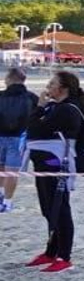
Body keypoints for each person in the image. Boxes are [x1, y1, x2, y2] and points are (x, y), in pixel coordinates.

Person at [23, 70, 84, 270]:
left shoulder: (67, 110)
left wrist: (39, 107)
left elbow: (34, 128)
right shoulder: (56, 107)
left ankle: (64, 257)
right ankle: (51, 251)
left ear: (63, 89)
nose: (48, 87)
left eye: (52, 84)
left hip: (56, 164)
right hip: (43, 163)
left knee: (60, 209)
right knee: (48, 209)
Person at [0, 66, 36, 216]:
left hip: (1, 135)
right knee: (12, 171)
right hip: (20, 137)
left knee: (1, 169)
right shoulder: (31, 97)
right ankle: (7, 202)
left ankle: (2, 195)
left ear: (10, 79)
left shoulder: (1, 96)